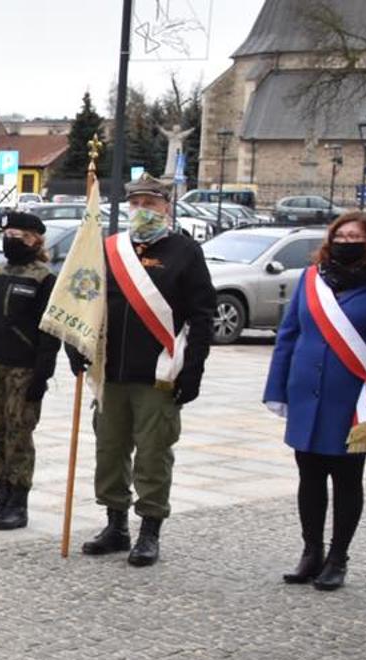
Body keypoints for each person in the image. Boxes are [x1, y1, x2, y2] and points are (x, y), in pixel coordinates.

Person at [75, 174, 212, 567]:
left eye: (150, 205)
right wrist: (77, 345)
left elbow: (201, 316)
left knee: (153, 454)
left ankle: (149, 529)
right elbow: (86, 299)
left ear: (166, 207)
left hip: (158, 372)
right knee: (109, 450)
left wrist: (194, 370)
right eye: (136, 205)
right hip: (111, 371)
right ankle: (115, 524)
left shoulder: (185, 252)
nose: (142, 212)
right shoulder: (109, 249)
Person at [263, 213, 366, 592]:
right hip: (307, 394)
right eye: (341, 234)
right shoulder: (312, 278)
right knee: (309, 476)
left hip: (354, 399)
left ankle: (338, 558)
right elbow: (288, 334)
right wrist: (277, 389)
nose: (347, 240)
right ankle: (311, 552)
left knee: (347, 479)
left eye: (355, 235)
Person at [0, 212, 61, 530]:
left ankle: (18, 503)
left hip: (24, 370)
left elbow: (50, 332)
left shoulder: (44, 278)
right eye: (8, 233)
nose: (12, 240)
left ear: (36, 240)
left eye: (21, 236)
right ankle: (0, 496)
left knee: (18, 435)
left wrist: (43, 372)